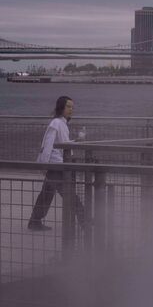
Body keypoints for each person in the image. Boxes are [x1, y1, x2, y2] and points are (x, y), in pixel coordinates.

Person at [28, 96, 87, 231]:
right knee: (69, 194)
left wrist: (76, 141)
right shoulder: (56, 123)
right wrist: (44, 164)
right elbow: (48, 144)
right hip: (57, 166)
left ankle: (34, 221)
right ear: (61, 107)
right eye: (68, 106)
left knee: (46, 194)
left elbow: (61, 144)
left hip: (55, 165)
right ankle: (84, 219)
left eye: (72, 107)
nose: (71, 109)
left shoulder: (61, 123)